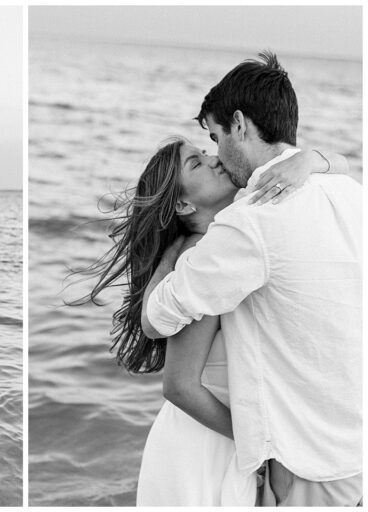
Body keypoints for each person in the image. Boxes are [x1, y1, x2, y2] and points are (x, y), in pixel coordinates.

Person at [142, 52, 362, 506]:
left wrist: (167, 259)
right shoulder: (349, 192)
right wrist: (318, 160)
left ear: (239, 125)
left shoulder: (251, 221)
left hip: (309, 462)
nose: (217, 155)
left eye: (215, 138)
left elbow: (157, 318)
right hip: (354, 447)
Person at [73, 136, 343, 505]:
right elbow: (179, 386)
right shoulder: (201, 259)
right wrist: (263, 445)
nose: (214, 160)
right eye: (196, 163)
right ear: (183, 203)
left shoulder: (225, 245)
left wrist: (309, 159)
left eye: (205, 152)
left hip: (223, 440)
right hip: (202, 449)